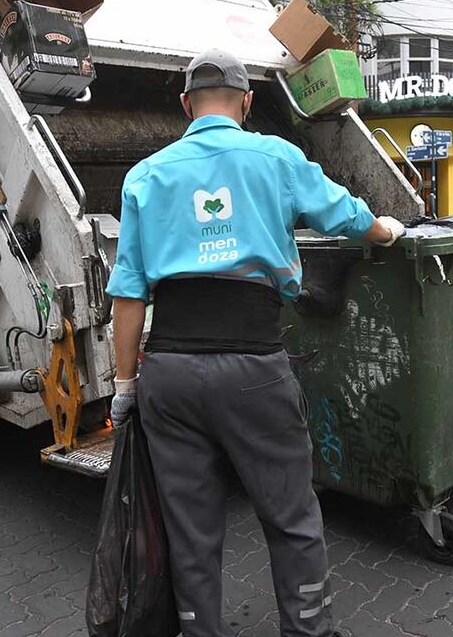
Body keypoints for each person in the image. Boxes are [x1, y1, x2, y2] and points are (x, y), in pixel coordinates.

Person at [104, 48, 404, 637]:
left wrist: (123, 388)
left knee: (190, 528)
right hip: (254, 367)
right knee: (291, 516)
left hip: (170, 371)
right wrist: (385, 229)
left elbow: (129, 295)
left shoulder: (146, 174)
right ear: (245, 102)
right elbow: (343, 214)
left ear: (185, 104)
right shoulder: (276, 157)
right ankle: (308, 629)